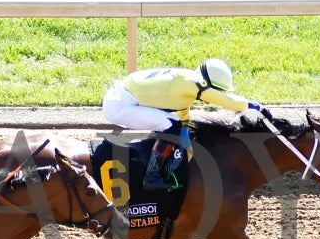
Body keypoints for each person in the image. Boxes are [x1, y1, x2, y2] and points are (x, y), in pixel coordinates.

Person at [101, 58, 273, 191]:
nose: (214, 94)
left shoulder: (187, 82)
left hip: (122, 98)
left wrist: (185, 135)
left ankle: (155, 160)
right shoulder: (192, 83)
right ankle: (152, 176)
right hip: (119, 106)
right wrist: (253, 106)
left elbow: (183, 112)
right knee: (171, 125)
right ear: (208, 84)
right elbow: (224, 101)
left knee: (174, 125)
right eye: (216, 90)